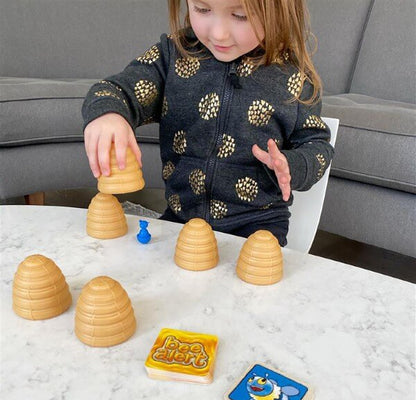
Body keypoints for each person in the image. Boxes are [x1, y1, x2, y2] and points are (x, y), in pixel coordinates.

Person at [82, 0, 334, 246]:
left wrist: (292, 165)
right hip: (181, 218)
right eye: (202, 9)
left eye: (240, 15)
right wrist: (109, 114)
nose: (219, 33)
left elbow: (317, 145)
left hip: (258, 226)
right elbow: (116, 89)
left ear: (277, 9)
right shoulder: (173, 55)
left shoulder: (294, 77)